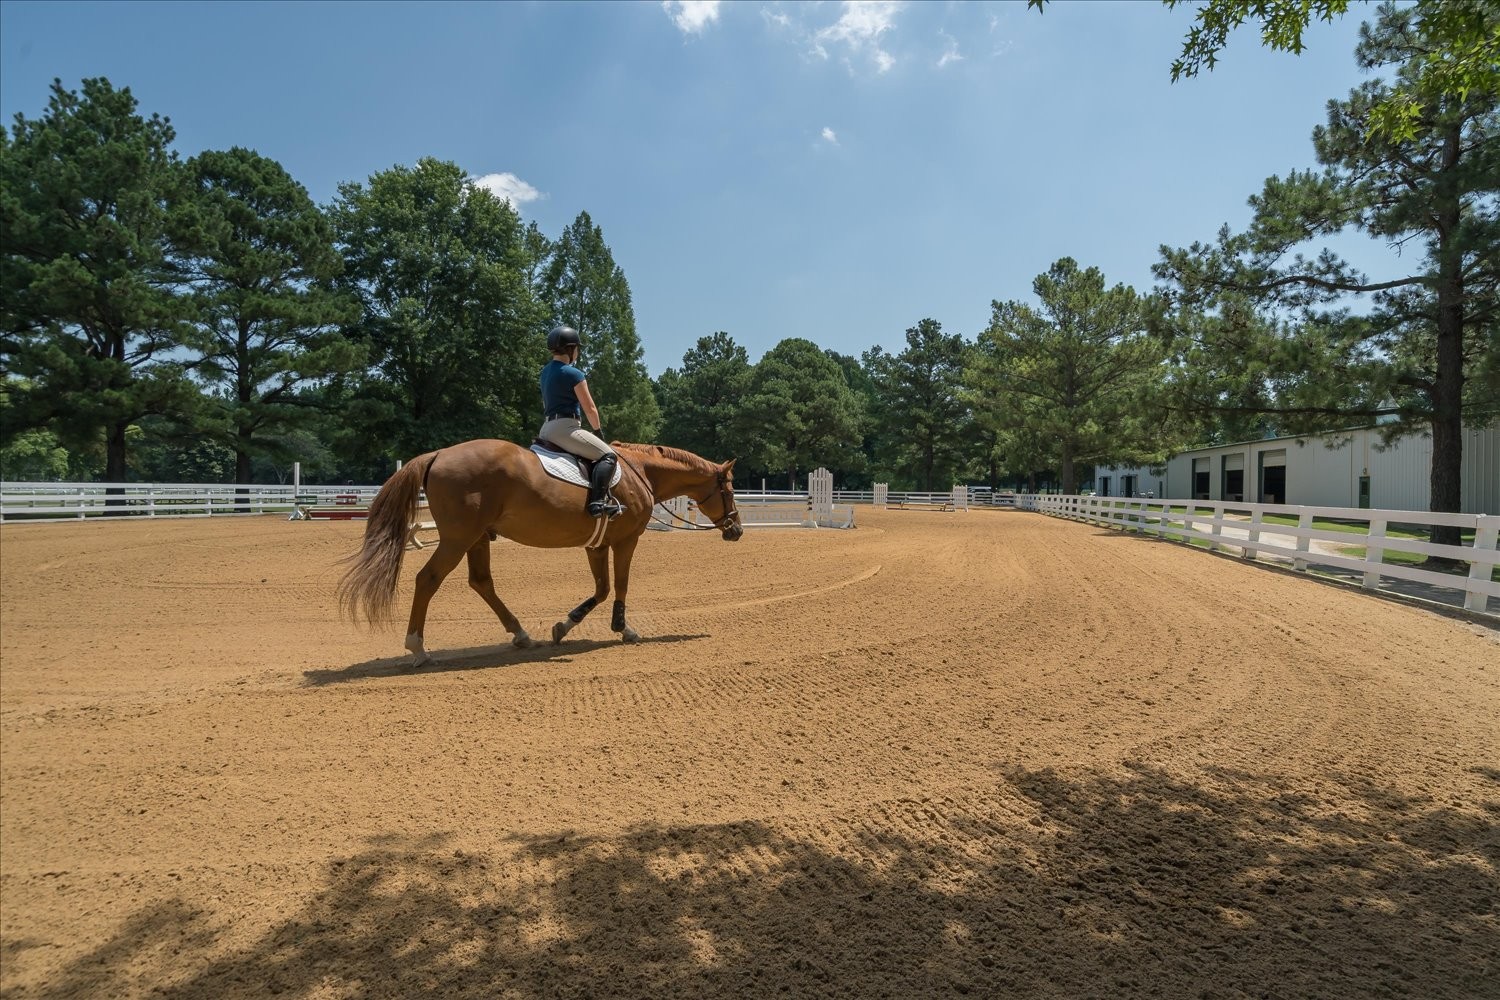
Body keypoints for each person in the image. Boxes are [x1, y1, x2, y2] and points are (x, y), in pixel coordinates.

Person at [538, 325, 624, 519]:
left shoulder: (544, 373)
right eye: (577, 348)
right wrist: (598, 431)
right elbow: (590, 408)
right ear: (571, 349)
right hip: (565, 428)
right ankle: (597, 504)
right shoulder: (573, 373)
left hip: (546, 429)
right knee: (608, 455)